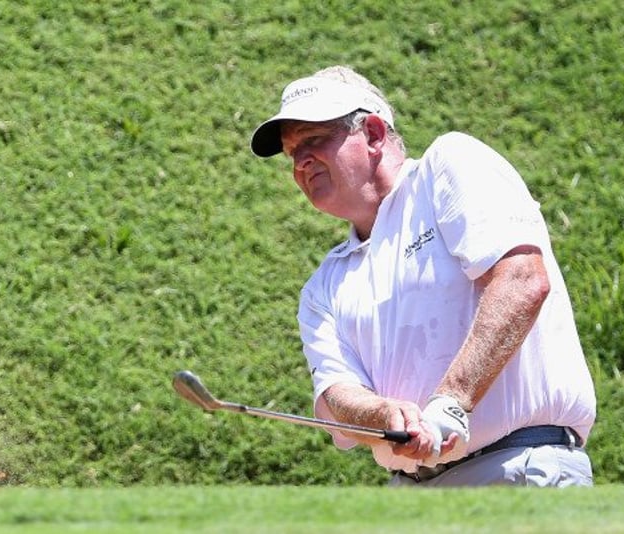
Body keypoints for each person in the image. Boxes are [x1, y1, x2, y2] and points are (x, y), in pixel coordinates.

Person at [248, 65, 597, 487]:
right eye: (291, 153)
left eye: (314, 140)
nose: (300, 162)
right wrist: (382, 414)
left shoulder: (446, 168)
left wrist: (451, 403)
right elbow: (336, 394)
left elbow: (522, 279)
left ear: (374, 134)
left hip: (517, 470)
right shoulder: (324, 285)